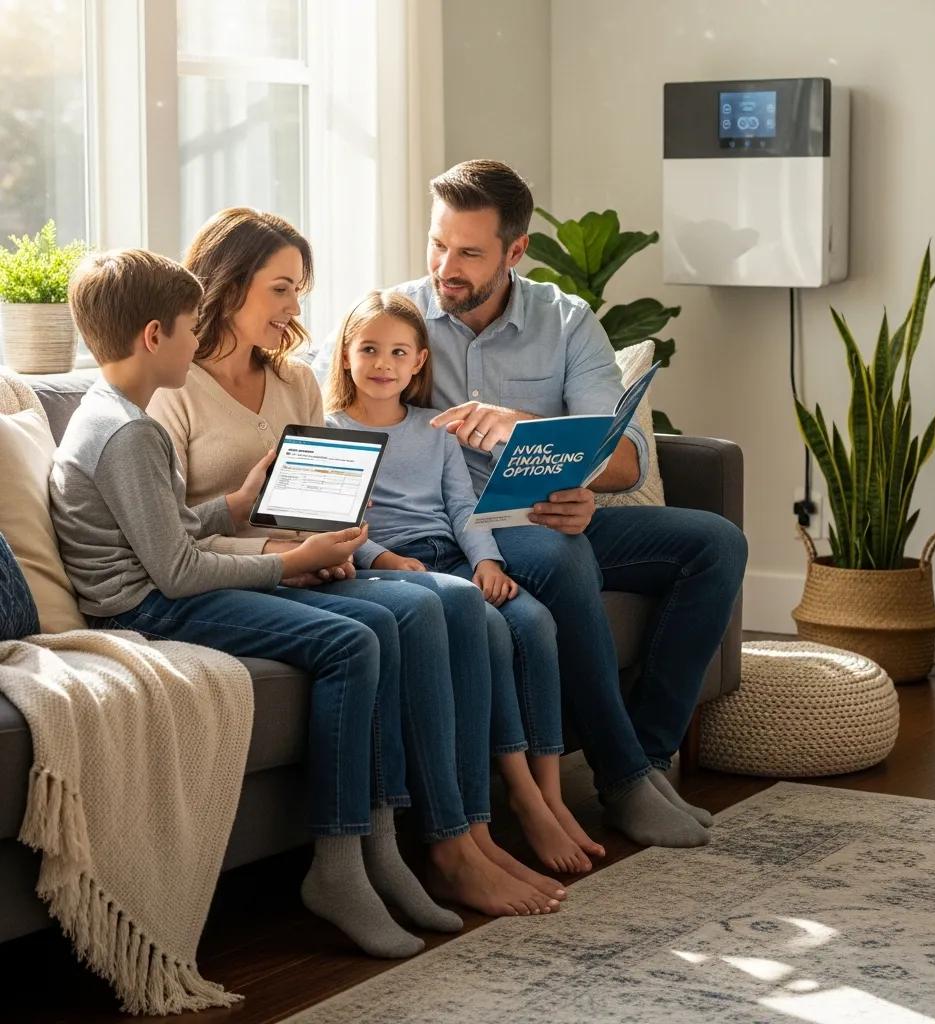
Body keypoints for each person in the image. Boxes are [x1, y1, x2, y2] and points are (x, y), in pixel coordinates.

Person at [314, 159, 749, 848]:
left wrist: (568, 470)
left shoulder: (566, 320)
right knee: (558, 551)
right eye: (437, 244)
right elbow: (328, 414)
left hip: (555, 512)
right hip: (462, 532)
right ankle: (622, 779)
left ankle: (651, 755)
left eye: (469, 253)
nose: (444, 267)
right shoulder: (393, 320)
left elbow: (625, 454)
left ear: (515, 252)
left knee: (715, 544)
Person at [47, 248, 465, 960]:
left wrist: (235, 507)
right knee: (351, 641)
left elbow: (164, 528)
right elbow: (174, 574)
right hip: (143, 610)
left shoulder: (117, 412)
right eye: (188, 329)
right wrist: (293, 563)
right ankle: (336, 867)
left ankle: (381, 844)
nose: (196, 342)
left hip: (157, 590)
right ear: (155, 337)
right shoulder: (129, 431)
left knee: (381, 621)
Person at [147, 208, 565, 914]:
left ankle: (465, 836)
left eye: (299, 290)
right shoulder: (169, 390)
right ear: (231, 283)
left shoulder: (295, 385)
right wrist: (289, 553)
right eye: (281, 289)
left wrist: (332, 549)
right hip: (246, 575)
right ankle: (448, 846)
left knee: (458, 600)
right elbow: (175, 539)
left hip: (319, 564)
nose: (294, 308)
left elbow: (325, 502)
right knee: (432, 603)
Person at [323, 288, 605, 873]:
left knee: (532, 620)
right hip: (395, 565)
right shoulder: (330, 428)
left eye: (399, 352)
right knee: (492, 631)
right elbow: (341, 518)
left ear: (420, 362)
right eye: (369, 349)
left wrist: (488, 561)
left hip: (454, 556)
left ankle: (550, 795)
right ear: (345, 354)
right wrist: (382, 560)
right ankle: (520, 797)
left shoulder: (436, 429)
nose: (383, 364)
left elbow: (462, 508)